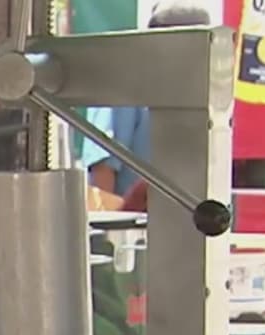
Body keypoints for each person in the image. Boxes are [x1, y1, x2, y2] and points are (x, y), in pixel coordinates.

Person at [81, 3, 213, 201]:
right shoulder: (123, 82)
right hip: (134, 224)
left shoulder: (197, 92)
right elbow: (102, 172)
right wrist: (110, 228)